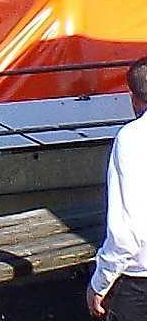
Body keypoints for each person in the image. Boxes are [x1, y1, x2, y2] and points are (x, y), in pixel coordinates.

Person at [87, 57, 147, 319]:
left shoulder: (132, 138)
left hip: (138, 282)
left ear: (133, 97)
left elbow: (127, 235)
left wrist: (100, 282)